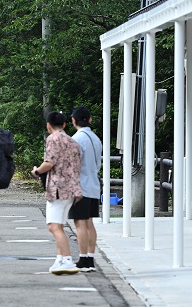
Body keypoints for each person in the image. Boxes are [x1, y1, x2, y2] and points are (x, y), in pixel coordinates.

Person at [32, 111, 82, 275]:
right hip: (72, 187)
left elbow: (49, 162)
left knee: (53, 226)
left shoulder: (53, 139)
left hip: (58, 188)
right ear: (65, 124)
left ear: (48, 126)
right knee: (58, 224)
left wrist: (37, 171)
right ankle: (59, 259)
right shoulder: (72, 141)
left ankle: (67, 259)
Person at [69, 106, 102, 271]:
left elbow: (73, 166)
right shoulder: (96, 139)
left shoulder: (75, 139)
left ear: (73, 121)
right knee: (89, 223)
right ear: (90, 120)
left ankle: (83, 258)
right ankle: (90, 257)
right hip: (94, 184)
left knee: (80, 223)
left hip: (80, 186)